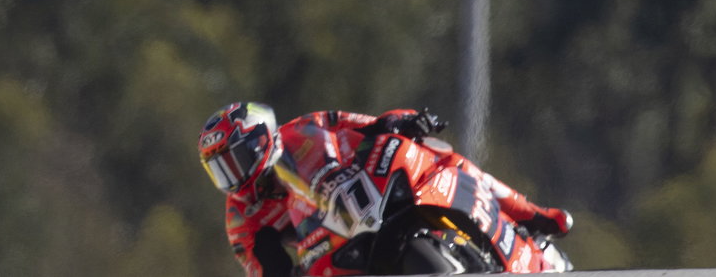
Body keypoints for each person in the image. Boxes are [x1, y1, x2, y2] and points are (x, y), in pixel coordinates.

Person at [197, 102, 572, 277]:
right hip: (326, 250)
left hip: (358, 202)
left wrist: (399, 121)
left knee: (442, 155)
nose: (233, 175)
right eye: (220, 169)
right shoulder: (240, 217)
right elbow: (263, 267)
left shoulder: (303, 130)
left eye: (236, 159)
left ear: (262, 140)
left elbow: (359, 126)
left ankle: (533, 216)